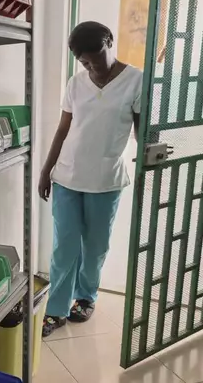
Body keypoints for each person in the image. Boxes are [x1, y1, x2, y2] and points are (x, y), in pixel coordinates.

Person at [39, 21, 142, 337]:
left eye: (96, 57)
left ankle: (85, 297)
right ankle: (55, 310)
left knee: (95, 247)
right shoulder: (76, 83)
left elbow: (142, 129)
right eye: (84, 62)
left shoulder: (136, 80)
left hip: (106, 180)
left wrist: (151, 154)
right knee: (64, 247)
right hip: (68, 177)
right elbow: (63, 129)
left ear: (109, 43)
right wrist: (46, 170)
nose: (92, 66)